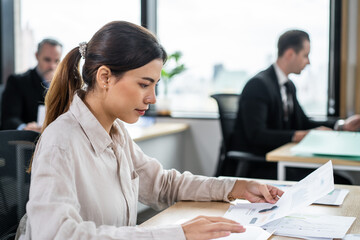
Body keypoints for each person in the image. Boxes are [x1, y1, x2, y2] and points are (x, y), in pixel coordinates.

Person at [18, 21, 283, 240]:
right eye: (144, 84)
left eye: (154, 85)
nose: (152, 98)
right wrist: (177, 234)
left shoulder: (115, 131)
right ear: (105, 77)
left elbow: (163, 184)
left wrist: (236, 187)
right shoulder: (61, 141)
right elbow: (55, 235)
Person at [229, 29, 360, 180]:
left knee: (339, 180)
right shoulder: (258, 85)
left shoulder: (288, 86)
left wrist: (340, 125)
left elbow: (303, 122)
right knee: (340, 181)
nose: (308, 62)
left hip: (281, 160)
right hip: (259, 165)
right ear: (290, 54)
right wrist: (296, 136)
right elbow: (256, 135)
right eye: (305, 55)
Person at [1, 38, 62, 131]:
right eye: (47, 60)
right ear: (37, 56)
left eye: (56, 61)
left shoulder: (65, 86)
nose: (52, 66)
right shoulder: (17, 82)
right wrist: (25, 128)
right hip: (27, 141)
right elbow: (9, 118)